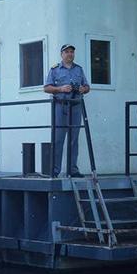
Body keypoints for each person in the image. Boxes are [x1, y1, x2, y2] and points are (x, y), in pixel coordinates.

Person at [44, 44, 90, 177]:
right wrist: (60, 89)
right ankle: (55, 170)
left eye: (72, 52)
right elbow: (46, 88)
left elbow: (87, 87)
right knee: (58, 139)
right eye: (67, 52)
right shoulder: (55, 70)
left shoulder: (79, 70)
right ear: (62, 54)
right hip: (60, 106)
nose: (70, 54)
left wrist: (83, 89)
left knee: (74, 140)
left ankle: (72, 170)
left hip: (75, 107)